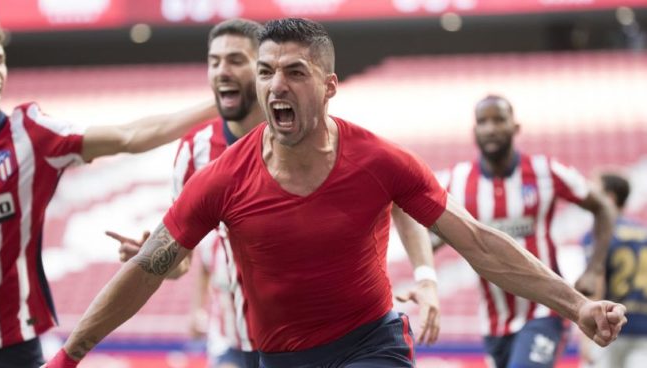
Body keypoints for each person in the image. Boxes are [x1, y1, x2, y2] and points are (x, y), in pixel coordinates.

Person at [45, 18, 626, 368]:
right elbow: (151, 266)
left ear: (328, 87)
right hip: (278, 356)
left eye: (294, 72)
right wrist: (70, 354)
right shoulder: (221, 176)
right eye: (267, 71)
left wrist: (576, 305)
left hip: (370, 343)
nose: (276, 84)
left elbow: (476, 241)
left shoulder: (381, 160)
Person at [104, 18, 441, 368]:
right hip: (233, 341)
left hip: (317, 338)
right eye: (214, 61)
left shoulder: (321, 137)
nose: (223, 71)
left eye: (237, 60)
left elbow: (400, 198)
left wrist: (425, 276)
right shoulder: (196, 151)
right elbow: (184, 261)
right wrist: (153, 256)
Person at [0, 12, 216, 368]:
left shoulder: (31, 133)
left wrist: (220, 105)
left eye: (0, 60)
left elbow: (129, 137)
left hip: (16, 345)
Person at [434, 95, 617, 368]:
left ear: (515, 127)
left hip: (544, 310)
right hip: (493, 322)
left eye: (499, 119)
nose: (491, 128)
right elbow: (430, 233)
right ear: (474, 132)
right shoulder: (456, 181)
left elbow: (603, 205)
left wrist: (594, 269)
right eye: (483, 122)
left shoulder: (546, 171)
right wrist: (423, 274)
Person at [580, 173, 647, 368]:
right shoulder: (643, 231)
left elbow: (595, 282)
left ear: (609, 197)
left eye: (594, 189)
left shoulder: (599, 232)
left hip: (610, 324)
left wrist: (586, 338)